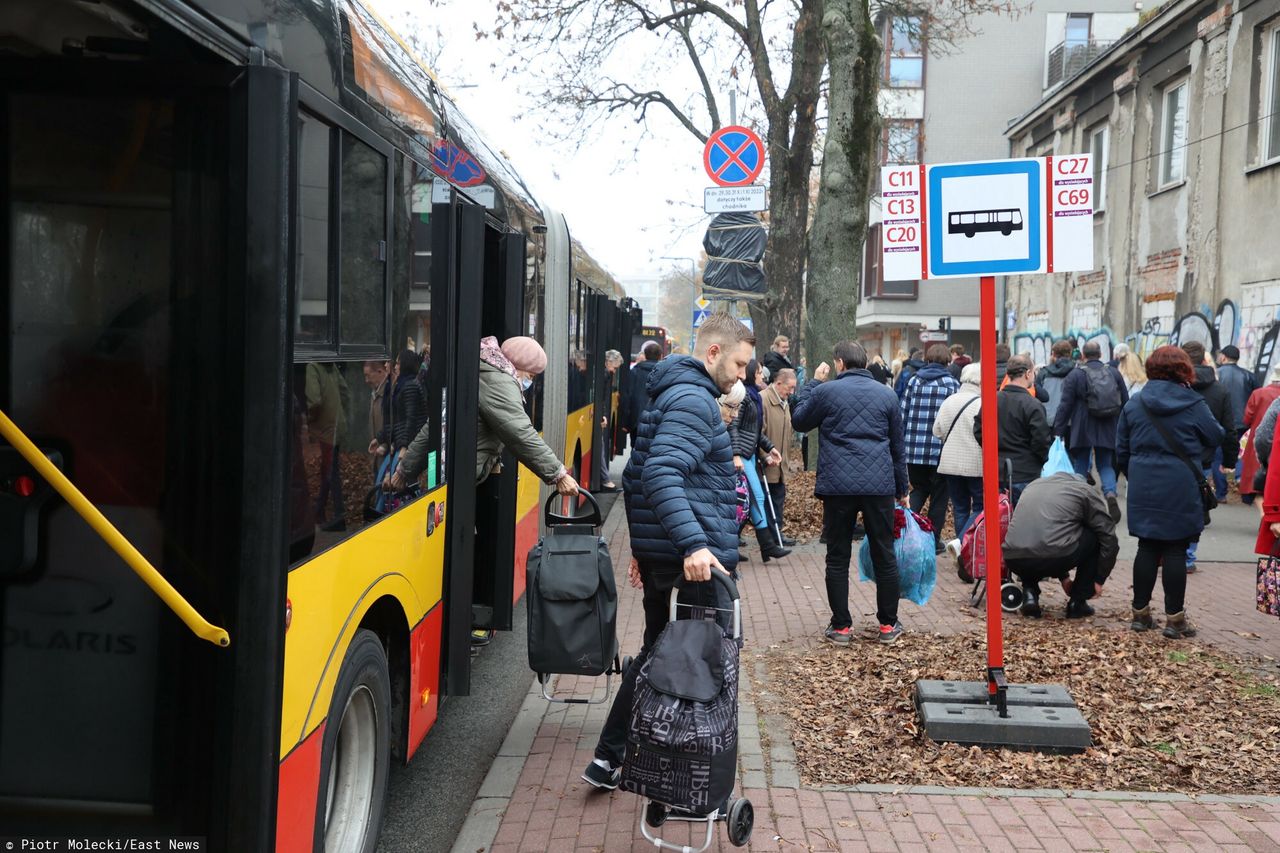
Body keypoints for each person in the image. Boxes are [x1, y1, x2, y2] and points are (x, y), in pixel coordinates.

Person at [581, 313, 754, 791]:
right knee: (698, 665)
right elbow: (657, 476)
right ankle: (687, 774)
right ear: (713, 353)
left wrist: (645, 548)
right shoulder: (695, 402)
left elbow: (636, 478)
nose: (742, 376)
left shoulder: (671, 393)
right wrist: (693, 545)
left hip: (670, 558)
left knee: (658, 653)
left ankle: (610, 758)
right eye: (739, 365)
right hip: (693, 566)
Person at [791, 341, 909, 646]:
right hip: (878, 484)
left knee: (837, 556)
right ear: (866, 362)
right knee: (885, 553)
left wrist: (814, 382)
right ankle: (888, 624)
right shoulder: (887, 395)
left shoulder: (826, 392)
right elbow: (898, 447)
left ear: (839, 362)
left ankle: (841, 626)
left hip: (838, 485)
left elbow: (800, 420)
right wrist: (902, 488)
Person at [1117, 345, 1223, 639]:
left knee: (1147, 546)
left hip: (1143, 483)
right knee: (1176, 547)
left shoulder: (1135, 404)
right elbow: (1216, 435)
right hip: (1180, 482)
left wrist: (1135, 472)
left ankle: (1140, 615)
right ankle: (1174, 620)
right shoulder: (1193, 402)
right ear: (1184, 371)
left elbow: (1121, 450)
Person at [393, 336, 580, 495]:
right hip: (458, 480)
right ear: (519, 365)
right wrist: (558, 474)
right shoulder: (500, 382)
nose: (529, 383)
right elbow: (520, 433)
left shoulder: (484, 370)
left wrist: (404, 470)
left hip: (446, 475)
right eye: (530, 376)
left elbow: (433, 427)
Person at [1004, 471, 1119, 619]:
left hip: (1014, 557)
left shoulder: (1033, 486)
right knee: (1096, 537)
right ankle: (1078, 602)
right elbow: (1109, 537)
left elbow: (1046, 532)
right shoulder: (1083, 490)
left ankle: (1029, 593)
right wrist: (1098, 580)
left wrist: (1064, 578)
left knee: (1033, 540)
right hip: (1055, 554)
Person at [1053, 341, 1128, 522]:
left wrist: (1058, 431)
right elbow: (1125, 401)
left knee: (1081, 462)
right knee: (1105, 464)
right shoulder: (1113, 373)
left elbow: (1065, 405)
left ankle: (1080, 502)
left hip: (1083, 425)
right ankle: (1110, 494)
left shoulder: (1075, 375)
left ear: (1083, 355)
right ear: (1101, 353)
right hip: (1108, 424)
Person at [1182, 340, 1238, 567]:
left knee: (1172, 504)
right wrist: (1229, 460)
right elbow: (1229, 429)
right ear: (1206, 361)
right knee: (1197, 506)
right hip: (1203, 458)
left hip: (1174, 455)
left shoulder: (1177, 386)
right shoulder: (1220, 390)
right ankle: (1187, 556)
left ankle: (1169, 551)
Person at [900, 343, 960, 551]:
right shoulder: (951, 384)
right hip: (940, 451)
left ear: (926, 359)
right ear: (947, 362)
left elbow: (902, 414)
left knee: (919, 489)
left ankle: (902, 530)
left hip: (913, 450)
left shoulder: (913, 381)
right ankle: (933, 541)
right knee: (940, 496)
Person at [730, 359, 790, 559]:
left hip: (748, 453)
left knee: (749, 501)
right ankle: (767, 546)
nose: (762, 376)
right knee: (755, 498)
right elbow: (735, 427)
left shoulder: (752, 396)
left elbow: (753, 430)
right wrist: (736, 454)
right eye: (757, 373)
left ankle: (762, 546)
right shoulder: (743, 395)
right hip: (743, 455)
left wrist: (769, 447)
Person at [973, 354, 1051, 506]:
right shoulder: (1033, 405)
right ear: (1028, 373)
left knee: (1000, 522)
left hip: (996, 471)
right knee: (1023, 521)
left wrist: (992, 451)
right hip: (1025, 472)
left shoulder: (992, 400)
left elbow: (978, 430)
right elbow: (1041, 440)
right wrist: (1039, 460)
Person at [933, 362, 983, 549]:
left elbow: (936, 431)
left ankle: (961, 547)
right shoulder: (982, 403)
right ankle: (962, 544)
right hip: (976, 464)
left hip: (950, 464)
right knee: (980, 506)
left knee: (960, 507)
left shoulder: (949, 401)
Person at [306, 362, 352, 532]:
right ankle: (320, 510)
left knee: (330, 471)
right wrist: (342, 415)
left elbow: (314, 401)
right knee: (329, 468)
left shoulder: (312, 367)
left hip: (325, 429)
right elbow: (345, 391)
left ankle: (338, 515)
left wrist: (309, 421)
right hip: (337, 425)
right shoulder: (331, 365)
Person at [761, 367, 798, 544]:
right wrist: (764, 455)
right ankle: (771, 537)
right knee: (765, 501)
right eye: (789, 388)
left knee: (777, 499)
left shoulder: (784, 402)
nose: (791, 392)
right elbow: (757, 433)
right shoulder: (763, 400)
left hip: (779, 464)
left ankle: (775, 536)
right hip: (767, 463)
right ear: (778, 383)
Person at [1214, 344, 1256, 498]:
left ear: (1224, 357)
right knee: (1242, 453)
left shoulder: (1216, 374)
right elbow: (1254, 399)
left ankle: (1220, 494)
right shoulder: (1249, 376)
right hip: (1242, 422)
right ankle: (1241, 482)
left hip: (1220, 421)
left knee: (1218, 456)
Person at [1240, 364, 1280, 505]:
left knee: (1257, 473)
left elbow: (1247, 419)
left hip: (1260, 439)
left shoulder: (1259, 393)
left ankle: (1255, 497)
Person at [622, 340, 662, 439]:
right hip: (658, 423)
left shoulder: (634, 372)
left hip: (636, 421)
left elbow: (627, 398)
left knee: (636, 449)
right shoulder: (665, 374)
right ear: (660, 356)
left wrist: (625, 423)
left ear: (645, 355)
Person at [597, 349, 624, 490]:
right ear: (608, 362)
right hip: (599, 416)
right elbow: (600, 398)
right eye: (615, 367)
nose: (614, 371)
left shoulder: (604, 373)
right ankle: (605, 479)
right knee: (600, 446)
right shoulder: (604, 374)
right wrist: (602, 415)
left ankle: (605, 478)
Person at [1035, 339, 1076, 423]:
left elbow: (1037, 396)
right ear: (1070, 353)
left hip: (1047, 419)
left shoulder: (1043, 373)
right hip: (1070, 420)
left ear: (1053, 354)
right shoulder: (1076, 372)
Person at [363, 359, 391, 471]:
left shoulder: (390, 392)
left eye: (368, 375)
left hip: (388, 456)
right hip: (378, 454)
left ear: (380, 372)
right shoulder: (375, 392)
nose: (366, 380)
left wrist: (385, 445)